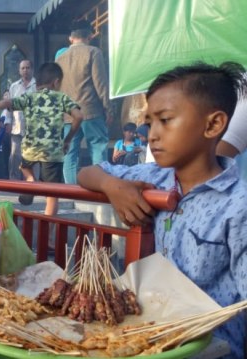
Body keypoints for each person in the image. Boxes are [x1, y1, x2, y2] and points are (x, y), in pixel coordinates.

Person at [77, 62, 247, 357]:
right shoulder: (154, 177)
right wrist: (112, 186)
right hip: (152, 337)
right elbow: (87, 172)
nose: (152, 135)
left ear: (213, 125)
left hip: (212, 348)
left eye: (165, 120)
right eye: (150, 122)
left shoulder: (239, 206)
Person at [0, 63, 83, 215]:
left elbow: (6, 103)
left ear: (37, 84)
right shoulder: (61, 98)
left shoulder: (29, 98)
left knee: (25, 167)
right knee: (52, 196)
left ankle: (30, 180)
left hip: (30, 149)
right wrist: (68, 140)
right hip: (52, 152)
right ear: (56, 82)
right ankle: (48, 227)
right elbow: (78, 116)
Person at [56, 21, 111, 184]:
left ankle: (71, 192)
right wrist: (108, 108)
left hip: (69, 114)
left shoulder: (60, 58)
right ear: (89, 36)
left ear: (71, 39)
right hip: (91, 111)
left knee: (70, 154)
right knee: (98, 149)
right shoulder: (94, 52)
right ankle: (99, 189)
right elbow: (101, 83)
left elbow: (57, 88)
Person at [8, 59, 36, 180]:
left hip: (33, 129)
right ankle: (14, 183)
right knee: (15, 156)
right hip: (17, 127)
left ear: (32, 69)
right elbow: (8, 106)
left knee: (32, 156)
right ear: (19, 71)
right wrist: (7, 122)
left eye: (28, 68)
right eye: (23, 68)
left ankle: (32, 184)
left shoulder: (37, 86)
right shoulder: (14, 86)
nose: (25, 70)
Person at [0, 90, 12, 179]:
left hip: (12, 135)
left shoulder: (13, 108)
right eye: (5, 95)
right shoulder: (2, 111)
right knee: (4, 157)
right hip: (3, 137)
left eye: (8, 95)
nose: (6, 96)